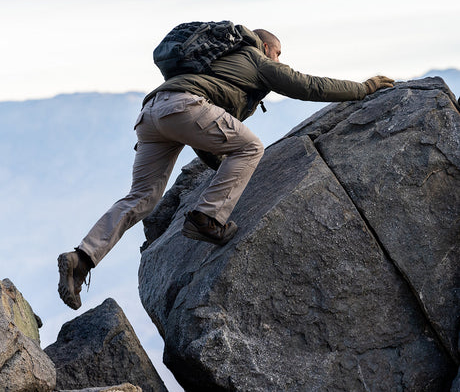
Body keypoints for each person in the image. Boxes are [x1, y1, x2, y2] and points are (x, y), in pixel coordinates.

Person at [57, 26, 394, 310]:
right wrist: (363, 88)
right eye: (279, 53)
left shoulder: (216, 63)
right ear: (267, 47)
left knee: (142, 197)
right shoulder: (255, 58)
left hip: (152, 113)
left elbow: (207, 140)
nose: (281, 60)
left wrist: (225, 171)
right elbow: (307, 85)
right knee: (251, 146)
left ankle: (82, 258)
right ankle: (206, 219)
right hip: (183, 106)